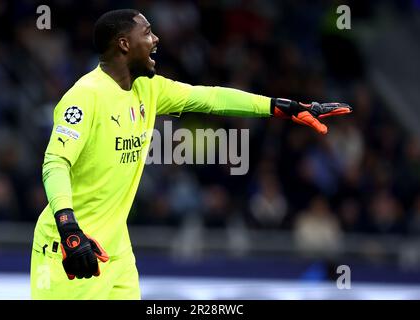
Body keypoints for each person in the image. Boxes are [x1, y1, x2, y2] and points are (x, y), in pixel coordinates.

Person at [30, 9, 352, 300]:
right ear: (124, 44)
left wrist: (279, 107)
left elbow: (210, 98)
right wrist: (69, 227)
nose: (156, 39)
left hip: (116, 250)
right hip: (71, 249)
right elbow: (56, 161)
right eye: (147, 33)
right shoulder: (85, 96)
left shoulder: (149, 90)